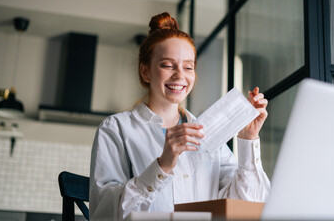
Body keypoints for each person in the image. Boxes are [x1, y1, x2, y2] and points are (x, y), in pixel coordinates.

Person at [89, 12, 270, 221]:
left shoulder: (207, 132)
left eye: (188, 67)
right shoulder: (116, 129)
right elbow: (103, 214)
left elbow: (249, 206)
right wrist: (162, 166)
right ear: (145, 72)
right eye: (167, 65)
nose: (180, 75)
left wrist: (248, 139)